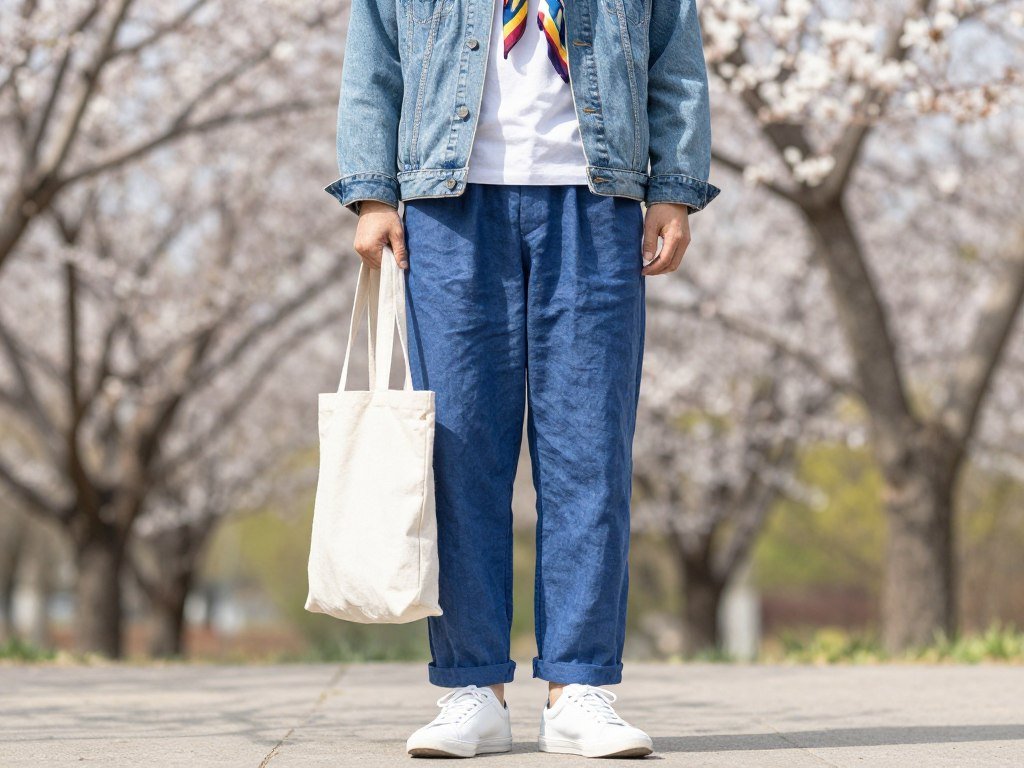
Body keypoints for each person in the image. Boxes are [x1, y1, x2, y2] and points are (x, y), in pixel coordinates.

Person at [326, 0, 718, 758]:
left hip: (599, 201)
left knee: (589, 454)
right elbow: (372, 57)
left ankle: (580, 690)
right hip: (449, 204)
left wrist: (674, 184)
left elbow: (675, 57)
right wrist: (373, 191)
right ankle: (472, 688)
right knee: (458, 456)